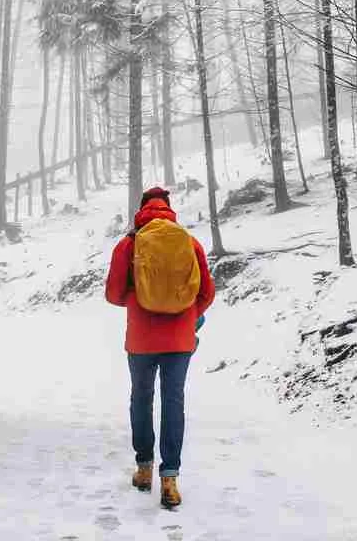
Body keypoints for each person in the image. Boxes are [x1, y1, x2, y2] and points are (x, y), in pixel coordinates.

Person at [104, 184, 215, 510]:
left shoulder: (129, 243)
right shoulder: (189, 242)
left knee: (141, 398)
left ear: (141, 209)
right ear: (169, 208)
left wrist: (138, 300)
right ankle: (170, 480)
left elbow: (112, 293)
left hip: (141, 338)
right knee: (173, 401)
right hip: (179, 340)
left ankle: (143, 468)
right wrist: (186, 314)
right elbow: (206, 292)